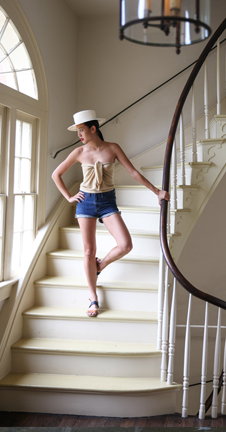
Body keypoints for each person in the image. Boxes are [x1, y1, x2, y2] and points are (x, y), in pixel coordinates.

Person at [52, 110, 170, 317]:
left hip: (107, 202)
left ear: (93, 128)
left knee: (126, 244)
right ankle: (92, 297)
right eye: (77, 131)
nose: (79, 135)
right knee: (88, 251)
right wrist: (69, 198)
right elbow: (56, 174)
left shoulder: (113, 148)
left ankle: (100, 265)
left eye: (81, 130)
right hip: (86, 202)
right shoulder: (79, 153)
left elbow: (133, 172)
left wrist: (157, 192)